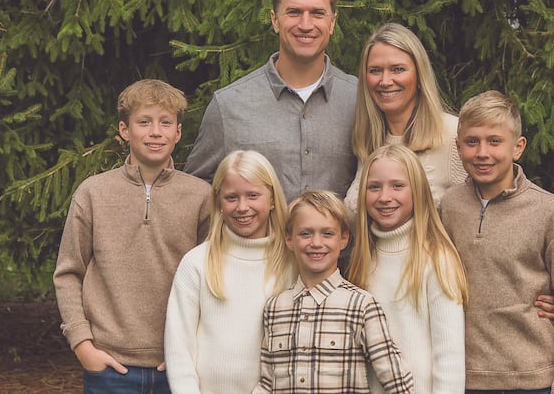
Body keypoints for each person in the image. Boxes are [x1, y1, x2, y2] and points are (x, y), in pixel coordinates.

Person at [53, 79, 212, 393]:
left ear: (178, 132)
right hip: (109, 367)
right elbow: (68, 273)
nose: (156, 132)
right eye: (144, 122)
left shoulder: (200, 196)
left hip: (178, 365)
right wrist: (83, 345)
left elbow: (212, 277)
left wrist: (193, 346)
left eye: (166, 123)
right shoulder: (93, 193)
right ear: (125, 130)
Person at [439, 90, 554, 394]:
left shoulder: (551, 213)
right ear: (458, 147)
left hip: (533, 380)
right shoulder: (449, 206)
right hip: (464, 378)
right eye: (472, 142)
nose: (482, 152)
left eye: (495, 141)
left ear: (518, 147)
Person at [183, 0, 357, 203]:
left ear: (332, 22)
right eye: (294, 12)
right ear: (275, 20)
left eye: (318, 13)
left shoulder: (359, 100)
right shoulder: (229, 106)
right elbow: (194, 194)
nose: (306, 24)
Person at [253, 190, 415, 393]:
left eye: (327, 234)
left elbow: (396, 381)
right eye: (305, 233)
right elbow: (268, 383)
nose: (316, 243)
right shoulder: (275, 308)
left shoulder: (361, 305)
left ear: (343, 239)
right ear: (289, 239)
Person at [164, 150, 295, 393]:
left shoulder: (292, 264)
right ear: (219, 203)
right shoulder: (197, 263)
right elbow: (179, 347)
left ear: (272, 199)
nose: (242, 207)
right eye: (231, 197)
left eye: (253, 195)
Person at [347, 144, 468, 393]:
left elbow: (450, 357)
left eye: (397, 186)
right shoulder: (363, 258)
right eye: (374, 187)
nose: (384, 197)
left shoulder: (435, 258)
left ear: (417, 190)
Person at [344, 23, 466, 213]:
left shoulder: (454, 136)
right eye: (375, 70)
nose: (385, 81)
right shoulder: (367, 141)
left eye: (398, 69)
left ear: (419, 75)